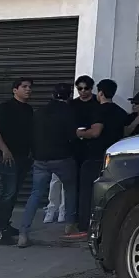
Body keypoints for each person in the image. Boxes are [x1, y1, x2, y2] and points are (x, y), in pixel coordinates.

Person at [18, 83, 82, 247]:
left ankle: (23, 233)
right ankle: (69, 226)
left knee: (35, 194)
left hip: (40, 159)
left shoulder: (39, 112)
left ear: (53, 95)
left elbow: (31, 134)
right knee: (69, 190)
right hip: (62, 158)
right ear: (68, 96)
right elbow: (72, 136)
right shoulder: (69, 112)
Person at [0, 78, 34, 245]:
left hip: (23, 157)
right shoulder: (5, 108)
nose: (28, 90)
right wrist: (4, 150)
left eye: (30, 87)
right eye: (24, 87)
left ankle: (6, 225)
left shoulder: (28, 110)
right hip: (7, 158)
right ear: (15, 90)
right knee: (8, 192)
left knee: (13, 193)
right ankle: (1, 229)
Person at [75, 79, 126, 232]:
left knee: (87, 193)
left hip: (95, 156)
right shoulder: (120, 111)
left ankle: (85, 226)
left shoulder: (100, 110)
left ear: (101, 93)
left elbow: (95, 132)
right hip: (114, 156)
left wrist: (81, 133)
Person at [45, 75, 96, 223]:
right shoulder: (71, 105)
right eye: (80, 88)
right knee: (56, 180)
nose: (83, 91)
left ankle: (64, 210)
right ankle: (52, 208)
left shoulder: (96, 104)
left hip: (87, 146)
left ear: (91, 89)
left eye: (86, 88)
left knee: (71, 182)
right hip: (68, 145)